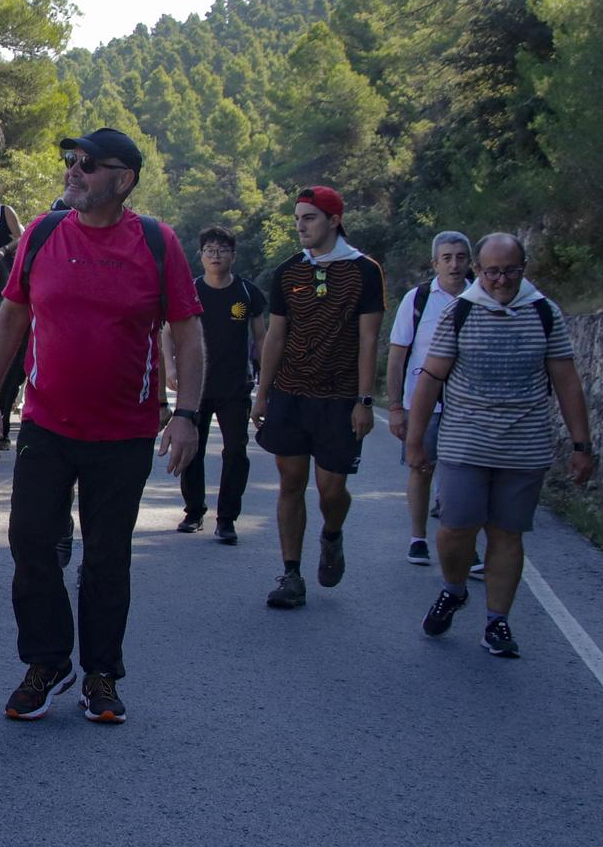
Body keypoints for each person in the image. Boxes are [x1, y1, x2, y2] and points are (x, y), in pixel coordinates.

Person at [0, 127, 204, 724]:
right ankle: (49, 663)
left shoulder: (158, 243)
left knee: (107, 556)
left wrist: (185, 416)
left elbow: (186, 330)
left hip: (124, 432)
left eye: (88, 165)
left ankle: (101, 672)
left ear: (123, 180)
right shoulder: (44, 234)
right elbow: (10, 318)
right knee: (30, 540)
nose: (73, 171)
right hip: (47, 423)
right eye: (71, 161)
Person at [408, 234, 594, 658]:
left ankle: (497, 622)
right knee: (455, 530)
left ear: (523, 269)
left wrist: (582, 444)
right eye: (491, 271)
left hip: (523, 446)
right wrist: (416, 439)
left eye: (510, 270)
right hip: (464, 442)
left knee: (507, 535)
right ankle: (453, 590)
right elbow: (430, 379)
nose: (500, 280)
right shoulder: (462, 311)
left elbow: (566, 380)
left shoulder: (544, 313)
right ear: (480, 269)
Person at [253, 186, 386, 610]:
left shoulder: (364, 271)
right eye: (297, 219)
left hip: (340, 398)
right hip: (291, 394)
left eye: (309, 218)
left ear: (333, 220)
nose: (301, 226)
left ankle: (332, 535)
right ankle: (291, 574)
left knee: (331, 490)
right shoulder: (288, 272)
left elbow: (369, 339)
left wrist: (364, 401)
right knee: (290, 482)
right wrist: (262, 393)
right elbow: (275, 336)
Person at [386, 231, 472, 566]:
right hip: (424, 405)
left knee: (465, 476)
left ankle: (464, 544)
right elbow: (397, 355)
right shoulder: (418, 299)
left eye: (461, 257)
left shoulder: (481, 297)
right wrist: (395, 407)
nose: (454, 264)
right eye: (447, 258)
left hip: (468, 407)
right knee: (421, 469)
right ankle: (418, 538)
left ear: (470, 261)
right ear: (435, 262)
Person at [178, 225, 266, 543]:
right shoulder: (190, 291)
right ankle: (194, 511)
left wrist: (265, 390)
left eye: (222, 250)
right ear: (200, 256)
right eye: (210, 251)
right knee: (191, 450)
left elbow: (261, 339)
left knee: (236, 452)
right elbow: (167, 329)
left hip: (236, 388)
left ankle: (226, 519)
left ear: (233, 255)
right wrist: (171, 366)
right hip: (196, 386)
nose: (216, 256)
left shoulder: (247, 293)